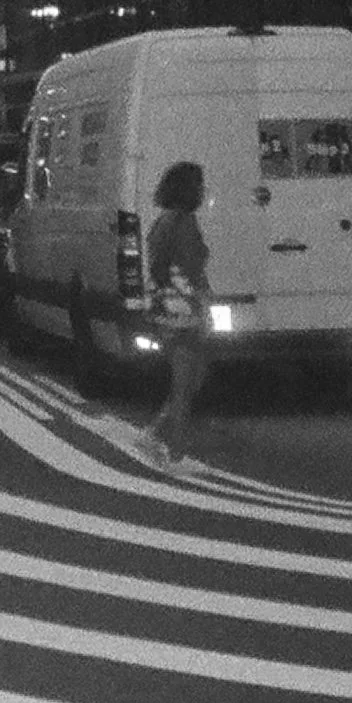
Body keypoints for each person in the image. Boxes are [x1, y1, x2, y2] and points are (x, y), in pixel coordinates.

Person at [141, 159, 211, 470]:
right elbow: (193, 267)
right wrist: (202, 300)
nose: (203, 189)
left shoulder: (163, 221)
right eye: (199, 184)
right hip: (184, 308)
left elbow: (158, 265)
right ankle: (175, 453)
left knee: (190, 376)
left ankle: (157, 433)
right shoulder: (184, 223)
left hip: (167, 305)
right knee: (187, 380)